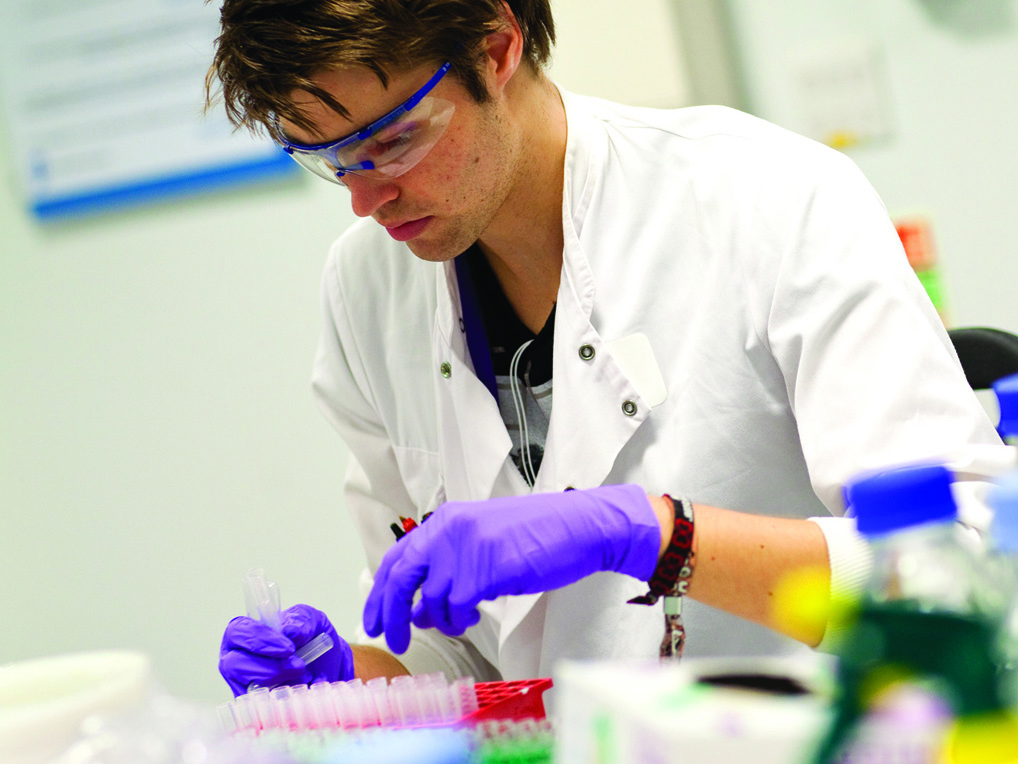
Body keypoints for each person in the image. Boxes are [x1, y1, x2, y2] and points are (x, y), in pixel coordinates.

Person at [209, 0, 1012, 694]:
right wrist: (346, 680)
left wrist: (657, 535)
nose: (364, 197)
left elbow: (970, 582)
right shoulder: (367, 288)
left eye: (393, 139)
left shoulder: (767, 197)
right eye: (326, 156)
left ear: (497, 45)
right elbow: (460, 662)